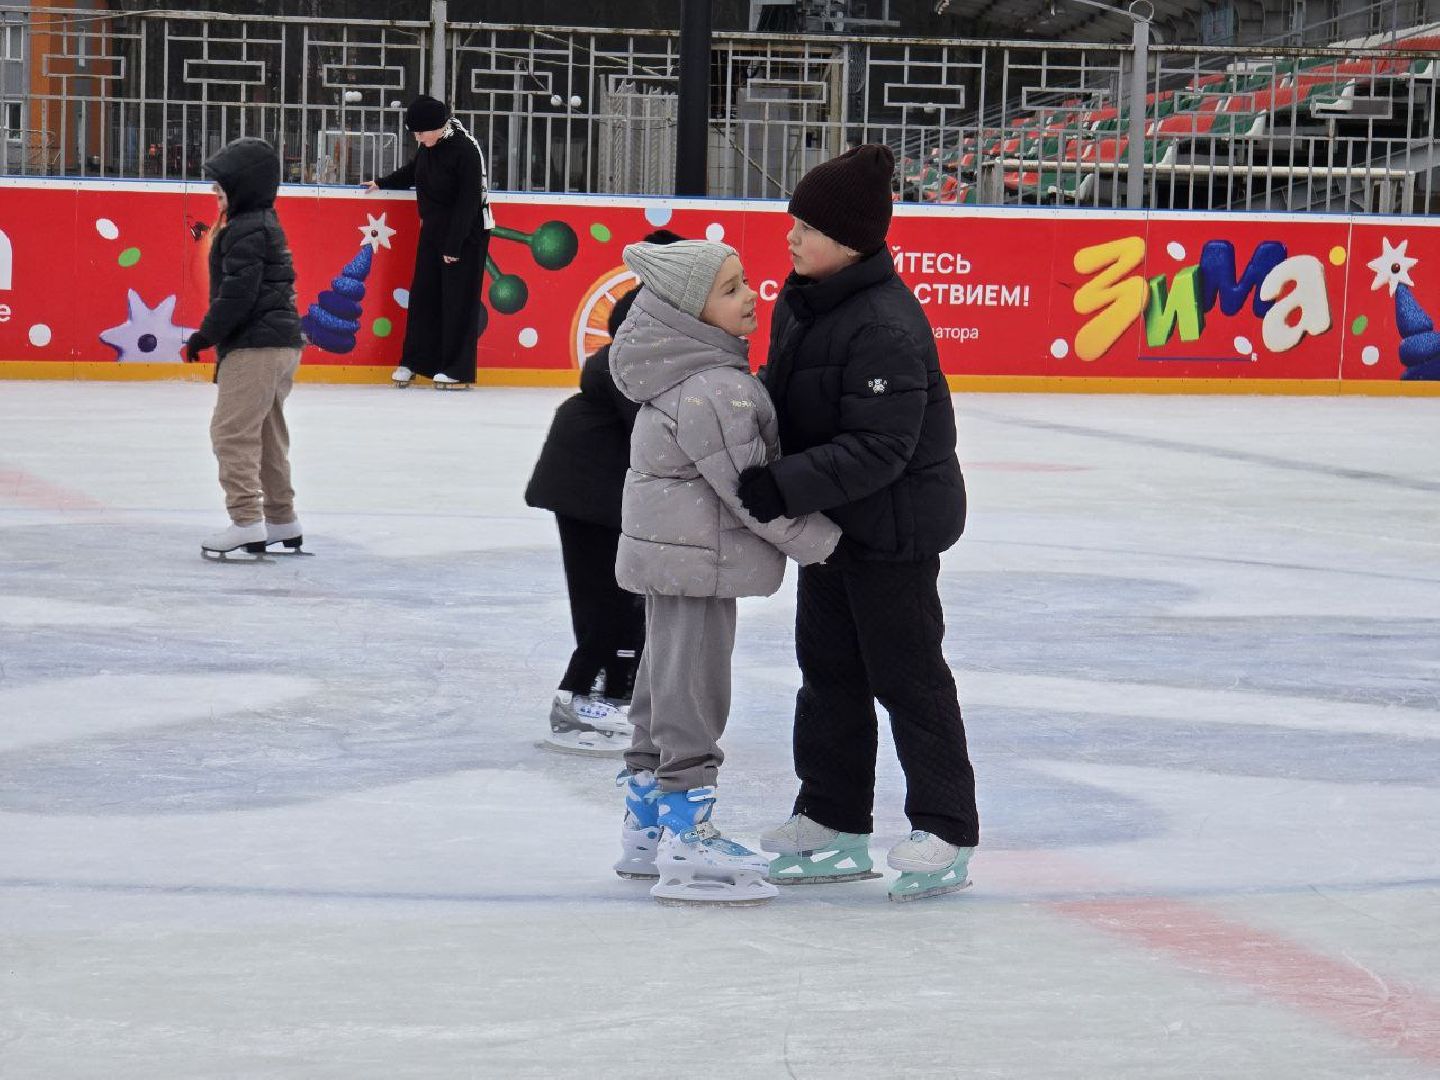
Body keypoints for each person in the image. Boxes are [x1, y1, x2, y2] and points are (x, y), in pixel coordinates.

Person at [736, 144, 978, 903]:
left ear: (849, 241)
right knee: (828, 675)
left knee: (909, 680)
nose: (791, 236)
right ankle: (833, 819)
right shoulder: (806, 301)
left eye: (807, 227)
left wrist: (781, 485)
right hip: (833, 528)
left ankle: (946, 828)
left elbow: (881, 448)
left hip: (894, 532)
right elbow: (787, 397)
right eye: (794, 222)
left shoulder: (884, 325)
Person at [608, 240, 840, 904]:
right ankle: (687, 834)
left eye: (745, 281)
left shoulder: (682, 373)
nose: (751, 296)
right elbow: (752, 491)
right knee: (693, 689)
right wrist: (824, 543)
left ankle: (647, 825)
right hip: (700, 561)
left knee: (661, 683)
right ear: (690, 311)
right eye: (730, 289)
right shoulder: (715, 388)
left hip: (675, 558)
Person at [524, 229, 684, 756]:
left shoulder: (646, 340)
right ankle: (585, 698)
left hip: (598, 489)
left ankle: (612, 692)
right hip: (591, 492)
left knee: (617, 600)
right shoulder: (640, 348)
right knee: (610, 603)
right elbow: (655, 427)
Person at [185, 137, 306, 561]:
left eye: (222, 184)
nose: (214, 191)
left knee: (231, 432)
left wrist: (204, 336)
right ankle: (281, 519)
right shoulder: (260, 222)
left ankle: (246, 521)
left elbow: (238, 295)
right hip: (279, 343)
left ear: (244, 185)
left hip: (255, 345)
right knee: (267, 435)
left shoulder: (245, 229)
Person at [364, 95, 492, 390]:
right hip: (434, 230)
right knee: (423, 296)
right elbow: (413, 170)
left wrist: (454, 245)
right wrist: (382, 182)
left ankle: (456, 369)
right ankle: (415, 362)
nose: (418, 138)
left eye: (421, 132)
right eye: (415, 133)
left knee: (457, 301)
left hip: (466, 235)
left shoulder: (465, 150)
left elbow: (469, 202)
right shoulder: (429, 146)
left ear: (438, 126)